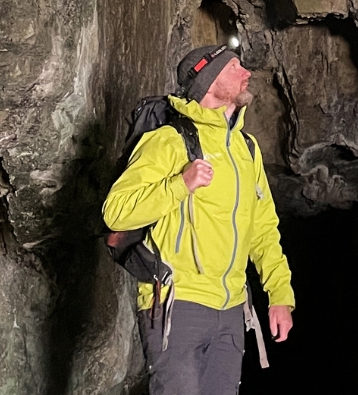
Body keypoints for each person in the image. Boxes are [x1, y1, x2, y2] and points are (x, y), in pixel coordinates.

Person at [102, 44, 295, 395]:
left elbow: (263, 229)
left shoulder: (246, 150)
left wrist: (280, 295)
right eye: (234, 67)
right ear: (209, 82)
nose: (246, 72)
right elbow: (117, 211)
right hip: (179, 305)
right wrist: (180, 184)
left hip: (232, 312)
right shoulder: (170, 141)